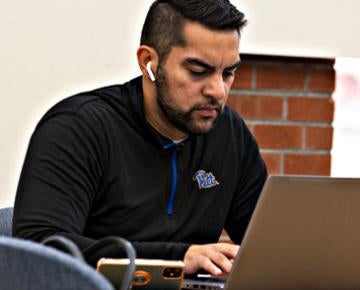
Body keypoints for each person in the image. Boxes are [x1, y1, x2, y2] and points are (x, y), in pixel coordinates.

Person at [13, 0, 267, 276]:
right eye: (198, 71)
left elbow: (271, 245)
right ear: (149, 62)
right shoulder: (77, 128)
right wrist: (177, 260)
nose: (218, 90)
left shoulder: (230, 135)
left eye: (228, 73)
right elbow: (41, 248)